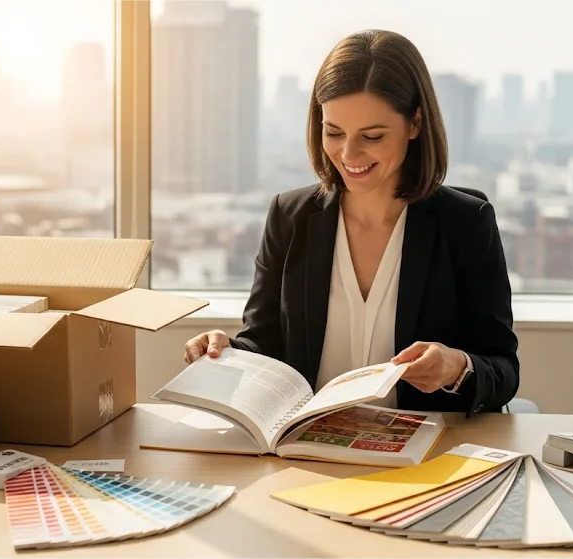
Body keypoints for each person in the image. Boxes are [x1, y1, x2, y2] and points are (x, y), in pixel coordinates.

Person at [183, 29, 519, 417]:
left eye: (372, 136)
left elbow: (504, 371)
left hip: (425, 456)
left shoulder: (466, 224)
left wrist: (458, 367)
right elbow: (265, 346)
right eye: (334, 132)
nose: (349, 154)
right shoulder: (290, 217)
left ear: (415, 124)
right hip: (308, 449)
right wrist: (227, 351)